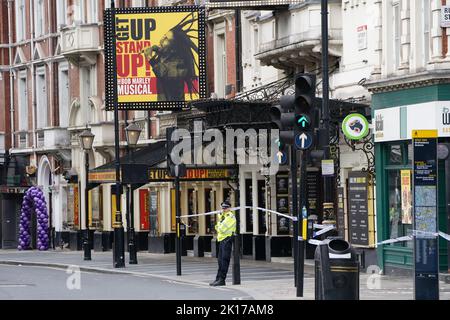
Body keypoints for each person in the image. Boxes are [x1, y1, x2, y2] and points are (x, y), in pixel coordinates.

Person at [210, 201, 236, 286]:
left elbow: (221, 229)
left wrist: (218, 226)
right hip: (222, 239)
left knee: (224, 261)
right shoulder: (223, 217)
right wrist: (219, 222)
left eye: (225, 208)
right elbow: (219, 226)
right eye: (223, 208)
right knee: (220, 261)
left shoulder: (230, 217)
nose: (224, 209)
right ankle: (218, 278)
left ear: (229, 208)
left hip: (227, 239)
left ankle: (222, 279)